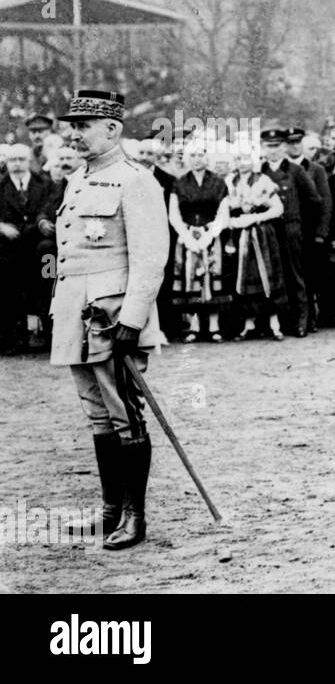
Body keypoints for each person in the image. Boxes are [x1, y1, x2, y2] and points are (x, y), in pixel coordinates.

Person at [50, 90, 168, 551]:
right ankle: (110, 510)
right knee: (97, 414)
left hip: (114, 315)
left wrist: (133, 322)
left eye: (82, 126)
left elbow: (150, 258)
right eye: (72, 126)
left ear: (113, 129)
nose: (73, 134)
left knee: (125, 416)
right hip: (77, 314)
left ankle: (135, 518)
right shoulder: (77, 179)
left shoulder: (136, 180)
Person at [260, 128, 324, 337]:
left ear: (284, 147)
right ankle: (282, 321)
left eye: (277, 146)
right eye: (269, 146)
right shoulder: (260, 171)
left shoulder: (295, 171)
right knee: (276, 277)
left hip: (291, 229)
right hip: (269, 231)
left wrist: (301, 225)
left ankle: (302, 321)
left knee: (296, 275)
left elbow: (315, 200)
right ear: (263, 148)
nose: (274, 151)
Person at [168, 144, 231, 343]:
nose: (197, 159)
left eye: (201, 155)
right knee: (190, 280)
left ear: (207, 158)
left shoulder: (218, 182)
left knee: (212, 277)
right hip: (187, 237)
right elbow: (173, 214)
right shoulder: (179, 183)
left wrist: (209, 235)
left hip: (211, 237)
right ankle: (193, 326)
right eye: (192, 155)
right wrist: (187, 236)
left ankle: (214, 326)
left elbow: (223, 214)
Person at [0, 143, 59, 351]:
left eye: (21, 159)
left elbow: (50, 209)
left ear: (29, 161)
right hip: (9, 248)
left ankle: (51, 334)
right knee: (6, 275)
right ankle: (13, 337)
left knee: (49, 273)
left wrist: (36, 226)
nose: (16, 164)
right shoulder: (1, 185)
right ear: (6, 162)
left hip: (40, 250)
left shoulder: (45, 183)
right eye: (12, 160)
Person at [224, 151, 287, 341]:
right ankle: (248, 324)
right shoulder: (229, 181)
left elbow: (278, 209)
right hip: (239, 234)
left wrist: (256, 217)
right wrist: (233, 221)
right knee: (243, 277)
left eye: (246, 159)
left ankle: (274, 325)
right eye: (238, 159)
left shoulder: (263, 180)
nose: (242, 163)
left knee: (266, 275)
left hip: (261, 235)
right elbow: (222, 208)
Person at [286, 127, 333, 333]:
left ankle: (310, 319)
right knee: (290, 275)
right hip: (288, 230)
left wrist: (321, 232)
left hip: (310, 231)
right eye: (290, 143)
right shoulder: (281, 169)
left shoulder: (316, 169)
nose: (294, 146)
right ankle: (292, 318)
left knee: (310, 276)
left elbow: (325, 202)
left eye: (297, 142)